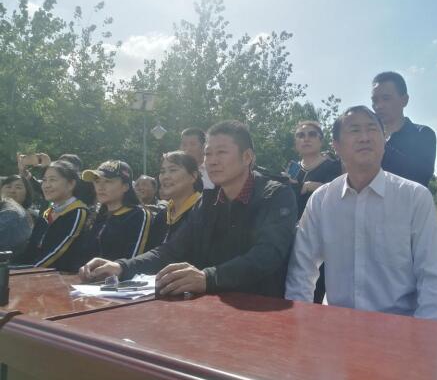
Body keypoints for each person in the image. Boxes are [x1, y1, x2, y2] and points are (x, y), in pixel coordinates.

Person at [79, 120, 297, 298]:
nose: (212, 161)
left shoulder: (276, 195)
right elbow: (172, 250)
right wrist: (121, 267)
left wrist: (208, 278)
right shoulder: (209, 201)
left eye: (221, 152)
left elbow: (267, 256)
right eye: (208, 154)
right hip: (209, 307)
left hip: (260, 312)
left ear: (247, 157)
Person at [285, 106, 437, 320]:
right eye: (354, 130)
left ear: (384, 141)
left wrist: (424, 335)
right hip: (337, 325)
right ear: (337, 146)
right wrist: (300, 324)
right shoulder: (321, 200)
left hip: (399, 327)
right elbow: (301, 271)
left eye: (372, 129)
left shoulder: (414, 197)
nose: (364, 137)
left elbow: (433, 279)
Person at [287, 120, 341, 303]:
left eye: (312, 134)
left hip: (324, 233)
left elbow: (340, 191)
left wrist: (312, 186)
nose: (306, 139)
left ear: (321, 140)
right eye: (300, 135)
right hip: (296, 233)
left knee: (319, 287)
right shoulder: (293, 168)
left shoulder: (333, 166)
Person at [371, 71, 436, 187]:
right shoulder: (367, 139)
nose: (379, 106)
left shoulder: (422, 134)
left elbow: (420, 177)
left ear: (404, 100)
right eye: (375, 100)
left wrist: (380, 144)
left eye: (386, 98)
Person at [24, 161, 90, 271]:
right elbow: (31, 248)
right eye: (44, 180)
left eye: (52, 180)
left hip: (61, 276)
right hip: (35, 272)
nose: (46, 185)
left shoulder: (78, 212)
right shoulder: (47, 213)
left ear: (71, 184)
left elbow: (57, 251)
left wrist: (26, 271)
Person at [81, 160, 152, 261]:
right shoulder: (95, 214)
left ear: (125, 187)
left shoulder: (138, 215)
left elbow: (132, 260)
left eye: (108, 181)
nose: (100, 187)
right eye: (97, 181)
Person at [147, 151, 202, 248]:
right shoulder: (162, 216)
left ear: (193, 176)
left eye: (173, 170)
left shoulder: (204, 212)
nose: (165, 177)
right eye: (162, 172)